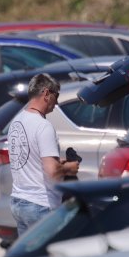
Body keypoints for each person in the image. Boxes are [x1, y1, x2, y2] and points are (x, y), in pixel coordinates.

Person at [8, 73, 79, 235]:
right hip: (40, 205)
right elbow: (53, 172)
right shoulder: (43, 126)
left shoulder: (16, 121)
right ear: (46, 93)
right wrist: (70, 167)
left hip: (19, 201)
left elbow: (30, 158)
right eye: (56, 95)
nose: (57, 102)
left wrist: (58, 161)